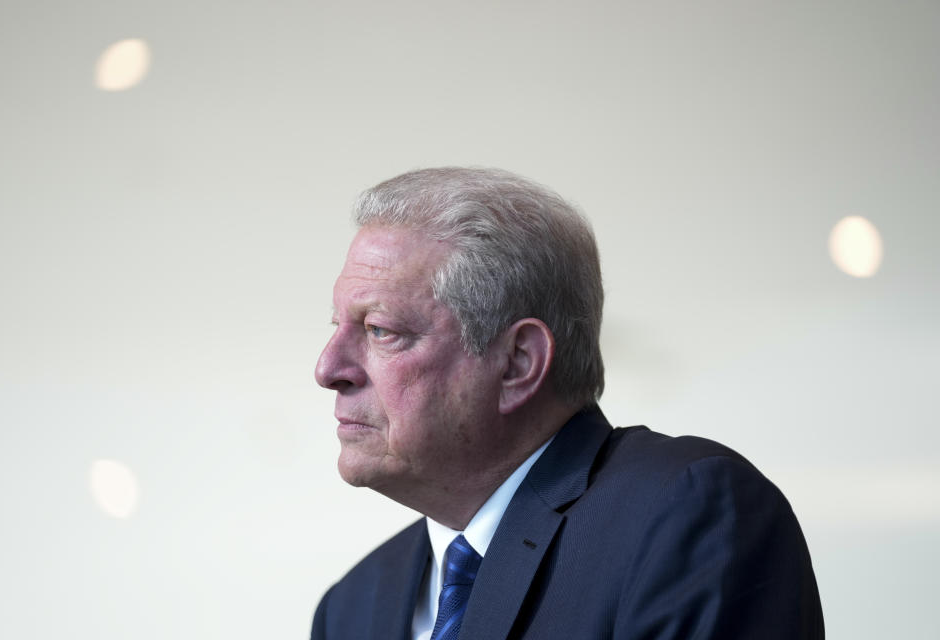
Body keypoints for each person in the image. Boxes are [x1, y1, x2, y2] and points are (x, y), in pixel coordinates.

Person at [312, 167, 823, 640]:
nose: (328, 369)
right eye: (338, 327)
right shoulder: (351, 610)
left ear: (517, 363)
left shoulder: (686, 516)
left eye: (380, 330)